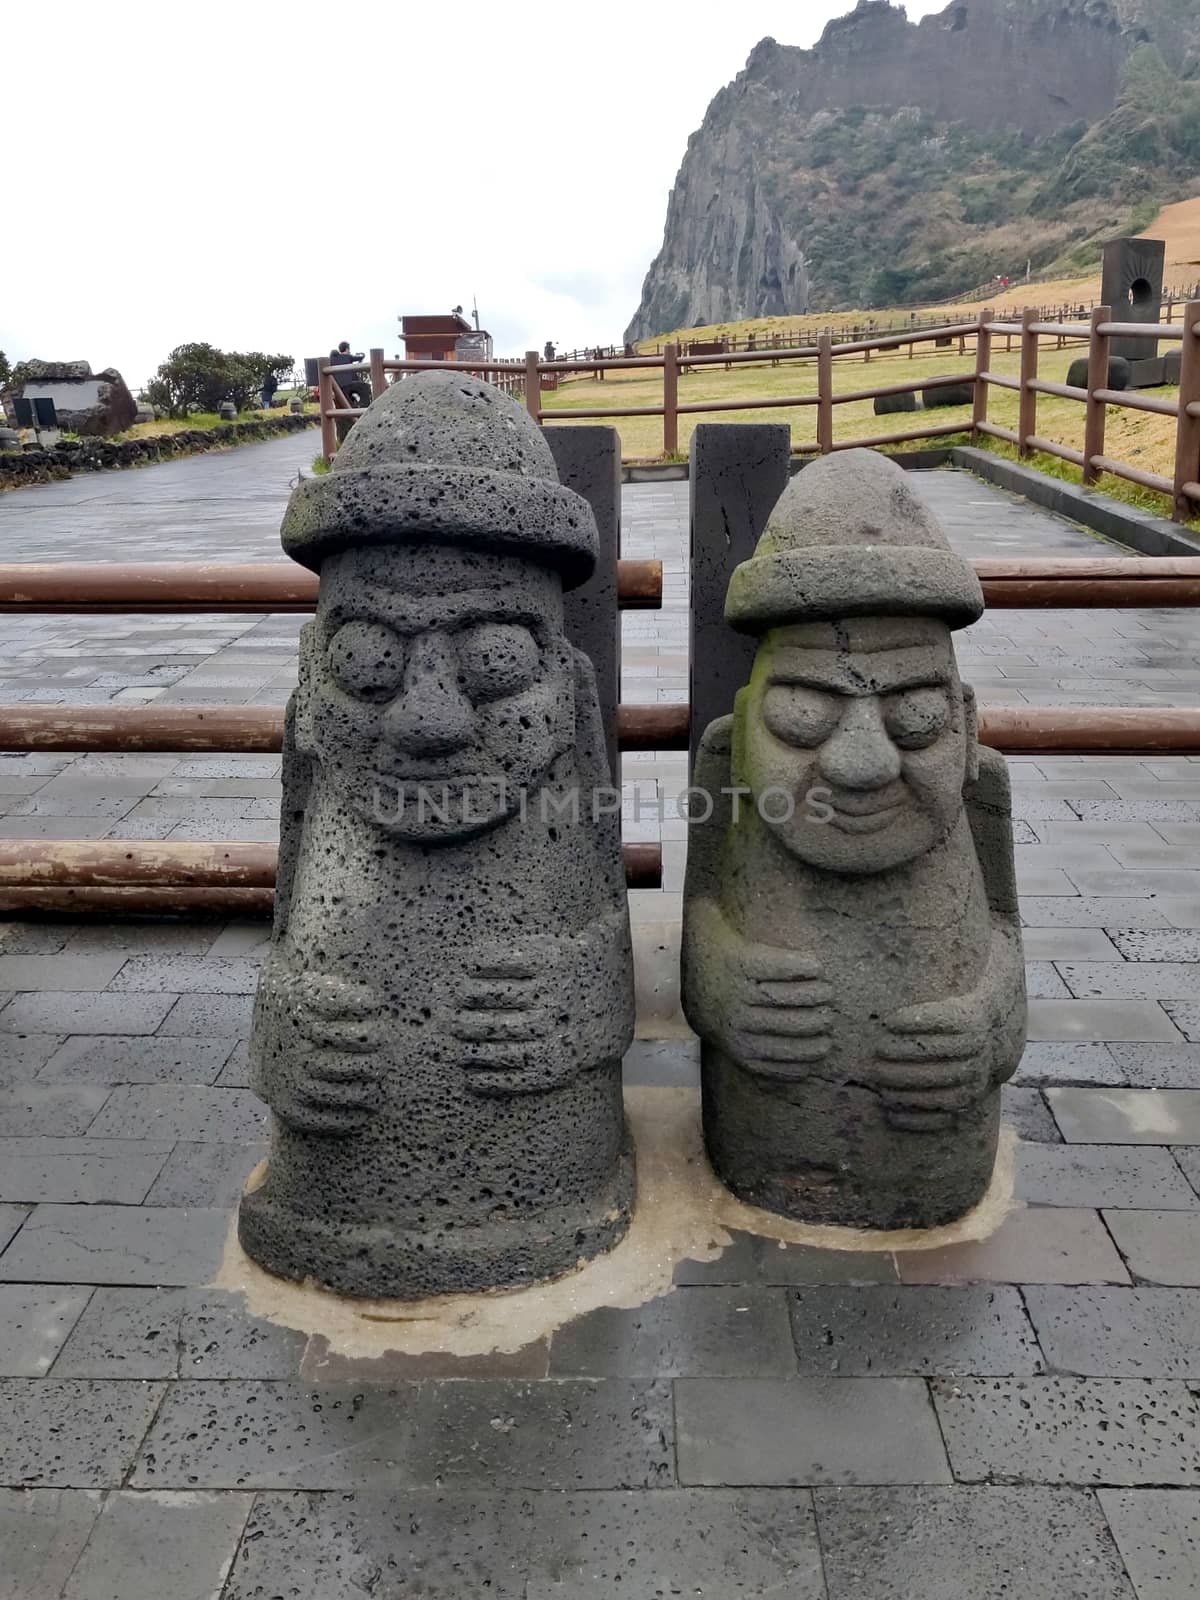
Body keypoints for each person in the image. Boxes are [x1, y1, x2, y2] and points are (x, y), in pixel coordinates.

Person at [330, 340, 370, 407]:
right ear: (347, 349)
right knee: (365, 387)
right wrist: (362, 354)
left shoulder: (333, 359)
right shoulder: (348, 357)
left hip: (337, 386)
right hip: (349, 385)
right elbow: (361, 357)